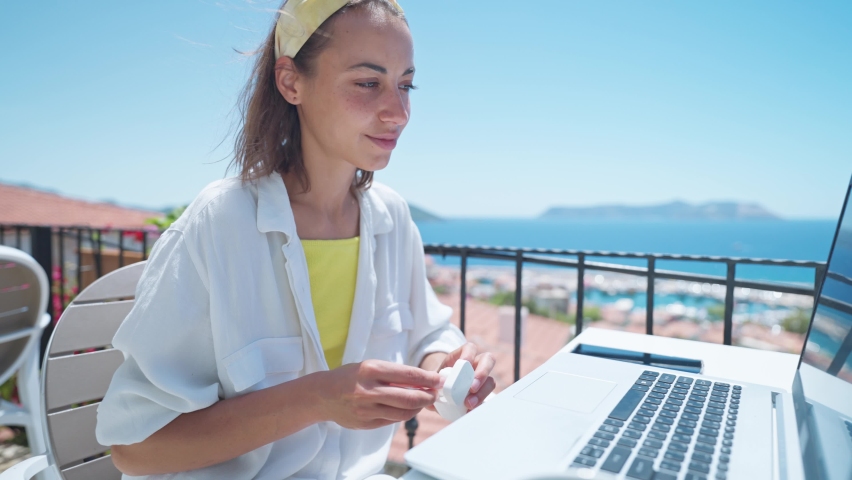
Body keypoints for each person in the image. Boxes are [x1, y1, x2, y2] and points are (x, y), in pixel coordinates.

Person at [95, 0, 496, 478]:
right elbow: (136, 448)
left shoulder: (391, 218)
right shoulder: (221, 223)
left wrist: (448, 366)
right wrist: (317, 399)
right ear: (291, 82)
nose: (399, 112)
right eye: (369, 83)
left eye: (405, 84)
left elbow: (426, 334)